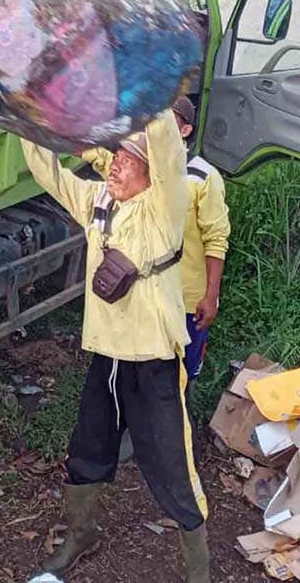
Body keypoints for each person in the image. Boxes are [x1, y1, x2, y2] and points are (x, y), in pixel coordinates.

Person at [22, 111, 210, 583]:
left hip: (154, 360)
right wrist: (28, 122)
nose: (117, 166)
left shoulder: (165, 206)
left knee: (171, 464)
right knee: (88, 447)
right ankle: (82, 534)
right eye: (116, 155)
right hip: (108, 355)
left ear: (152, 173)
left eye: (129, 159)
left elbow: (166, 146)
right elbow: (49, 173)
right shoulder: (98, 199)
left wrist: (154, 90)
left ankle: (197, 568)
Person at [83, 97, 230, 388]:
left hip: (185, 300)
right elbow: (105, 161)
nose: (153, 127)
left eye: (163, 121)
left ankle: (177, 424)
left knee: (179, 376)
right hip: (145, 298)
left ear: (185, 131)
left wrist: (210, 295)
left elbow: (216, 239)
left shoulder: (203, 177)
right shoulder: (139, 166)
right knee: (138, 372)